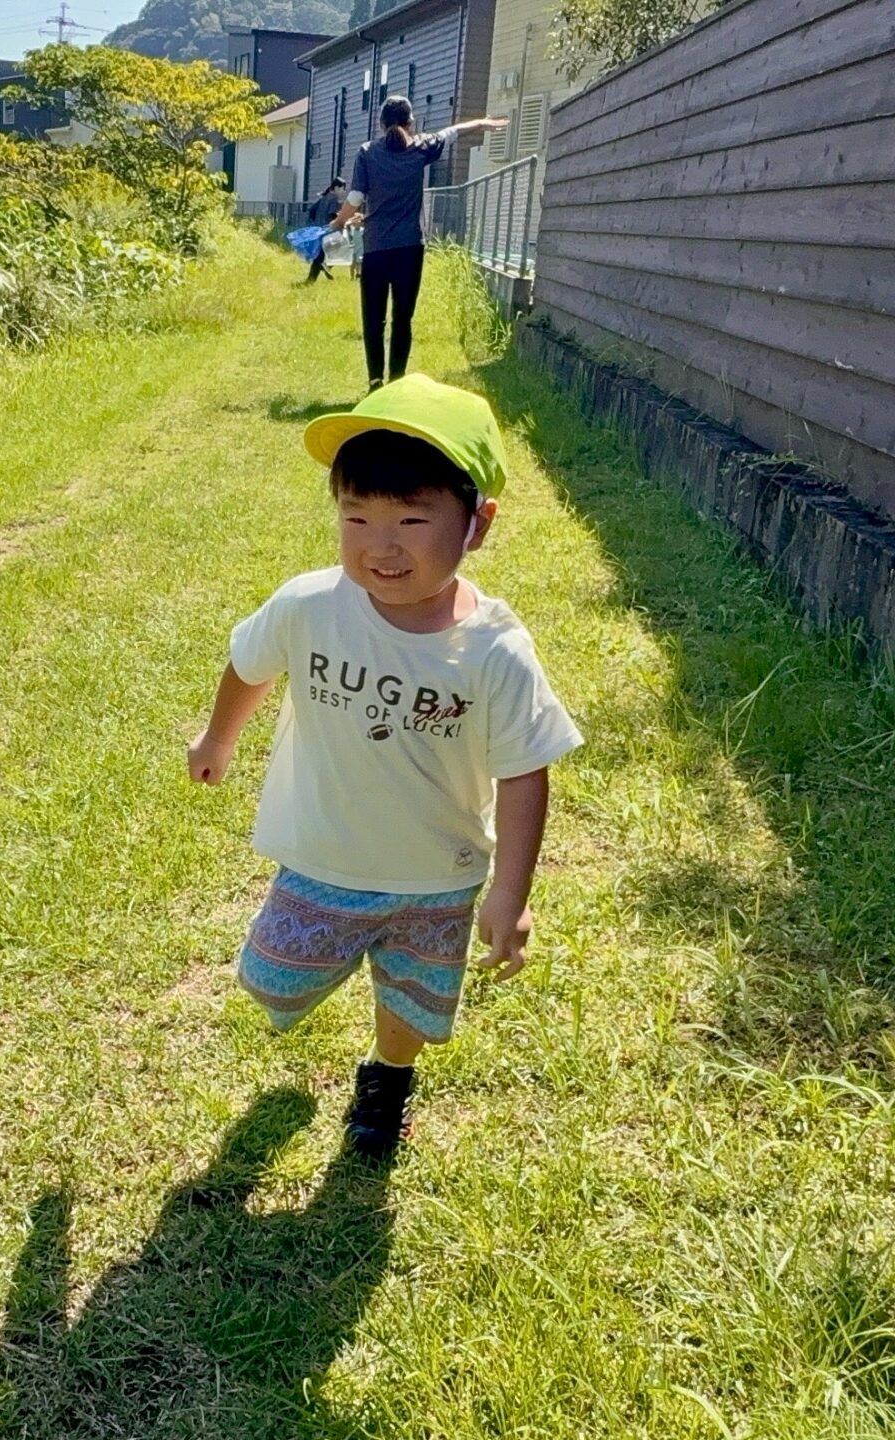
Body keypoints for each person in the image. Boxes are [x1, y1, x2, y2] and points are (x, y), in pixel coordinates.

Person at [186, 376, 582, 1157]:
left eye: (411, 519)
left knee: (408, 1003)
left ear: (478, 525)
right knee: (272, 981)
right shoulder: (309, 605)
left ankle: (387, 1080)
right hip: (325, 858)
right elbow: (251, 663)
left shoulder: (495, 651)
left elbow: (525, 771)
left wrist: (510, 893)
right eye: (357, 516)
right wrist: (218, 740)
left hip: (436, 875)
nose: (381, 544)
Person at [332, 98, 507, 390]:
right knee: (403, 318)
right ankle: (397, 383)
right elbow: (453, 132)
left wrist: (339, 222)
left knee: (374, 320)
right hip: (410, 249)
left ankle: (375, 382)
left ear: (380, 124)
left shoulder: (367, 152)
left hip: (376, 248)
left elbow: (355, 198)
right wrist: (482, 123)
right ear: (411, 123)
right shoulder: (421, 147)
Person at [303, 177, 348, 283]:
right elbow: (332, 215)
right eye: (343, 189)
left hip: (320, 230)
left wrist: (316, 223)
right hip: (329, 231)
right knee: (340, 249)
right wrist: (340, 220)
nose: (344, 191)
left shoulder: (324, 197)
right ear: (336, 188)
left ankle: (313, 278)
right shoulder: (334, 199)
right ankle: (322, 269)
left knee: (321, 255)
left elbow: (312, 211)